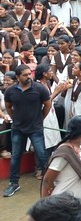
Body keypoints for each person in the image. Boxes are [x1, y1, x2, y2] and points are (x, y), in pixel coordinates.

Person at [4, 64, 51, 197]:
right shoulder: (10, 91)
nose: (28, 77)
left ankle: (51, 181)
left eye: (29, 73)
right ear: (17, 77)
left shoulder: (40, 89)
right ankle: (13, 183)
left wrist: (40, 118)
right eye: (24, 75)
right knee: (16, 156)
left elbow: (47, 104)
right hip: (18, 128)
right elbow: (8, 106)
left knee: (42, 155)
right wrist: (15, 119)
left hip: (35, 128)